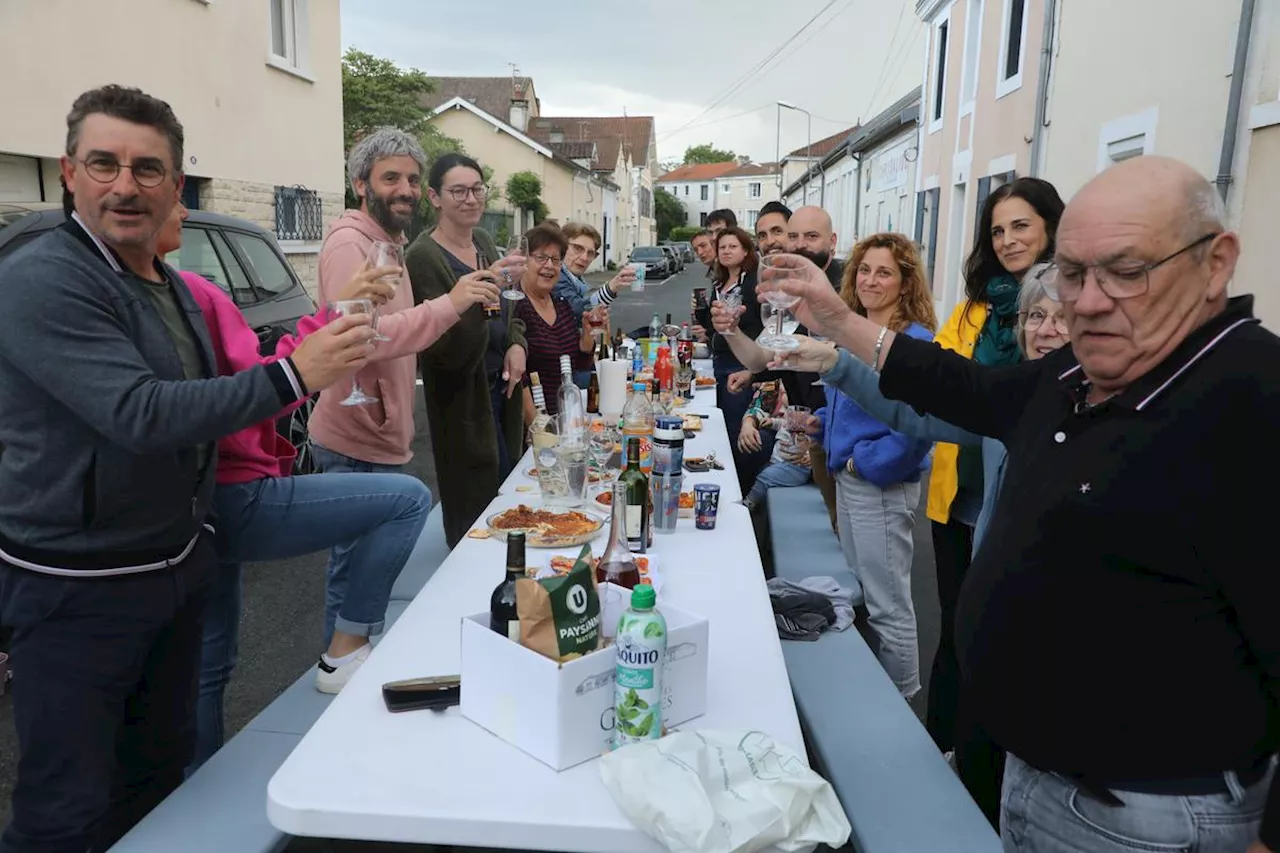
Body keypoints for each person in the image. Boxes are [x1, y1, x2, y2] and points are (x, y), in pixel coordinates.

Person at [759, 156, 1280, 853]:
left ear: (1216, 263)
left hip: (1149, 818)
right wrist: (834, 318)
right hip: (1031, 779)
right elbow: (958, 387)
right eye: (1072, 273)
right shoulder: (1081, 370)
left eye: (1126, 271)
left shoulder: (1254, 402)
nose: (1087, 301)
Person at [0, 85, 372, 853]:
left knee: (158, 780)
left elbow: (206, 406)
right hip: (77, 592)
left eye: (148, 168)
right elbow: (141, 413)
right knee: (65, 808)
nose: (125, 184)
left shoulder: (163, 282)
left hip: (170, 571)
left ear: (175, 184)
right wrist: (294, 376)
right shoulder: (45, 276)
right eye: (104, 163)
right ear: (69, 172)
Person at [156, 203, 446, 766]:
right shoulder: (189, 296)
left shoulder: (186, 289)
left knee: (209, 664)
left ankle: (195, 790)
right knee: (407, 500)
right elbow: (258, 386)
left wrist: (333, 318)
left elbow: (271, 370)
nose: (183, 207)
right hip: (228, 496)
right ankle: (346, 649)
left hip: (199, 503)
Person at [307, 129, 501, 641]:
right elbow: (362, 337)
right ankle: (341, 665)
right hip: (354, 434)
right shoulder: (351, 244)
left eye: (413, 179)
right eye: (391, 178)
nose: (406, 189)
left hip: (381, 430)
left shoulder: (385, 242)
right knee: (352, 571)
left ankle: (352, 655)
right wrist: (452, 303)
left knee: (371, 572)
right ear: (360, 184)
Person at [918, 178, 1064, 770]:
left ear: (1052, 225)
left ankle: (988, 765)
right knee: (955, 630)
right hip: (959, 496)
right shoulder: (974, 307)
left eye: (1021, 225)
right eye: (997, 229)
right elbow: (942, 383)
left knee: (1006, 644)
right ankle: (939, 754)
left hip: (1022, 502)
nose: (1007, 240)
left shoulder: (1070, 304)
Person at [804, 233, 936, 700]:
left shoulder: (913, 341)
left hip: (879, 484)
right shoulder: (854, 330)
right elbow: (856, 406)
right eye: (864, 270)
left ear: (905, 283)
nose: (870, 280)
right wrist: (819, 423)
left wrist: (868, 463)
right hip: (852, 478)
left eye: (884, 272)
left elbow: (920, 425)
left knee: (889, 605)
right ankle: (876, 697)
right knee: (864, 592)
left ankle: (901, 704)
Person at [407, 153, 528, 547]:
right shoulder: (423, 256)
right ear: (434, 197)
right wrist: (477, 302)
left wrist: (515, 344)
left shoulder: (484, 241)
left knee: (512, 495)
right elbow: (438, 348)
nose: (470, 198)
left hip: (501, 389)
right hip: (462, 401)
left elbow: (506, 311)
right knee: (478, 511)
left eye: (477, 189)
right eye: (458, 190)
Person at [515, 224, 598, 419]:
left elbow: (579, 366)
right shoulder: (516, 306)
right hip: (534, 423)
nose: (549, 265)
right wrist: (537, 425)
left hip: (567, 418)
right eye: (541, 258)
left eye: (555, 259)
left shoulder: (561, 304)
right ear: (523, 261)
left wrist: (587, 338)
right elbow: (518, 376)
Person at [739, 381, 811, 512]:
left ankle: (749, 504)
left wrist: (813, 453)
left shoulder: (806, 419)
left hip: (795, 464)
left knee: (765, 477)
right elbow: (782, 423)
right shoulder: (791, 416)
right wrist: (771, 422)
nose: (783, 396)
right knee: (758, 463)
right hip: (779, 459)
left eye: (786, 394)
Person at [553, 221, 636, 322]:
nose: (584, 258)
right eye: (578, 248)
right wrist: (611, 288)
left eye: (590, 253)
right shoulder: (555, 276)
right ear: (562, 247)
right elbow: (579, 311)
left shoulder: (576, 280)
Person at [789, 205, 844, 289]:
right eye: (793, 236)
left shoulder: (851, 288)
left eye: (811, 236)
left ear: (832, 242)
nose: (800, 245)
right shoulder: (779, 283)